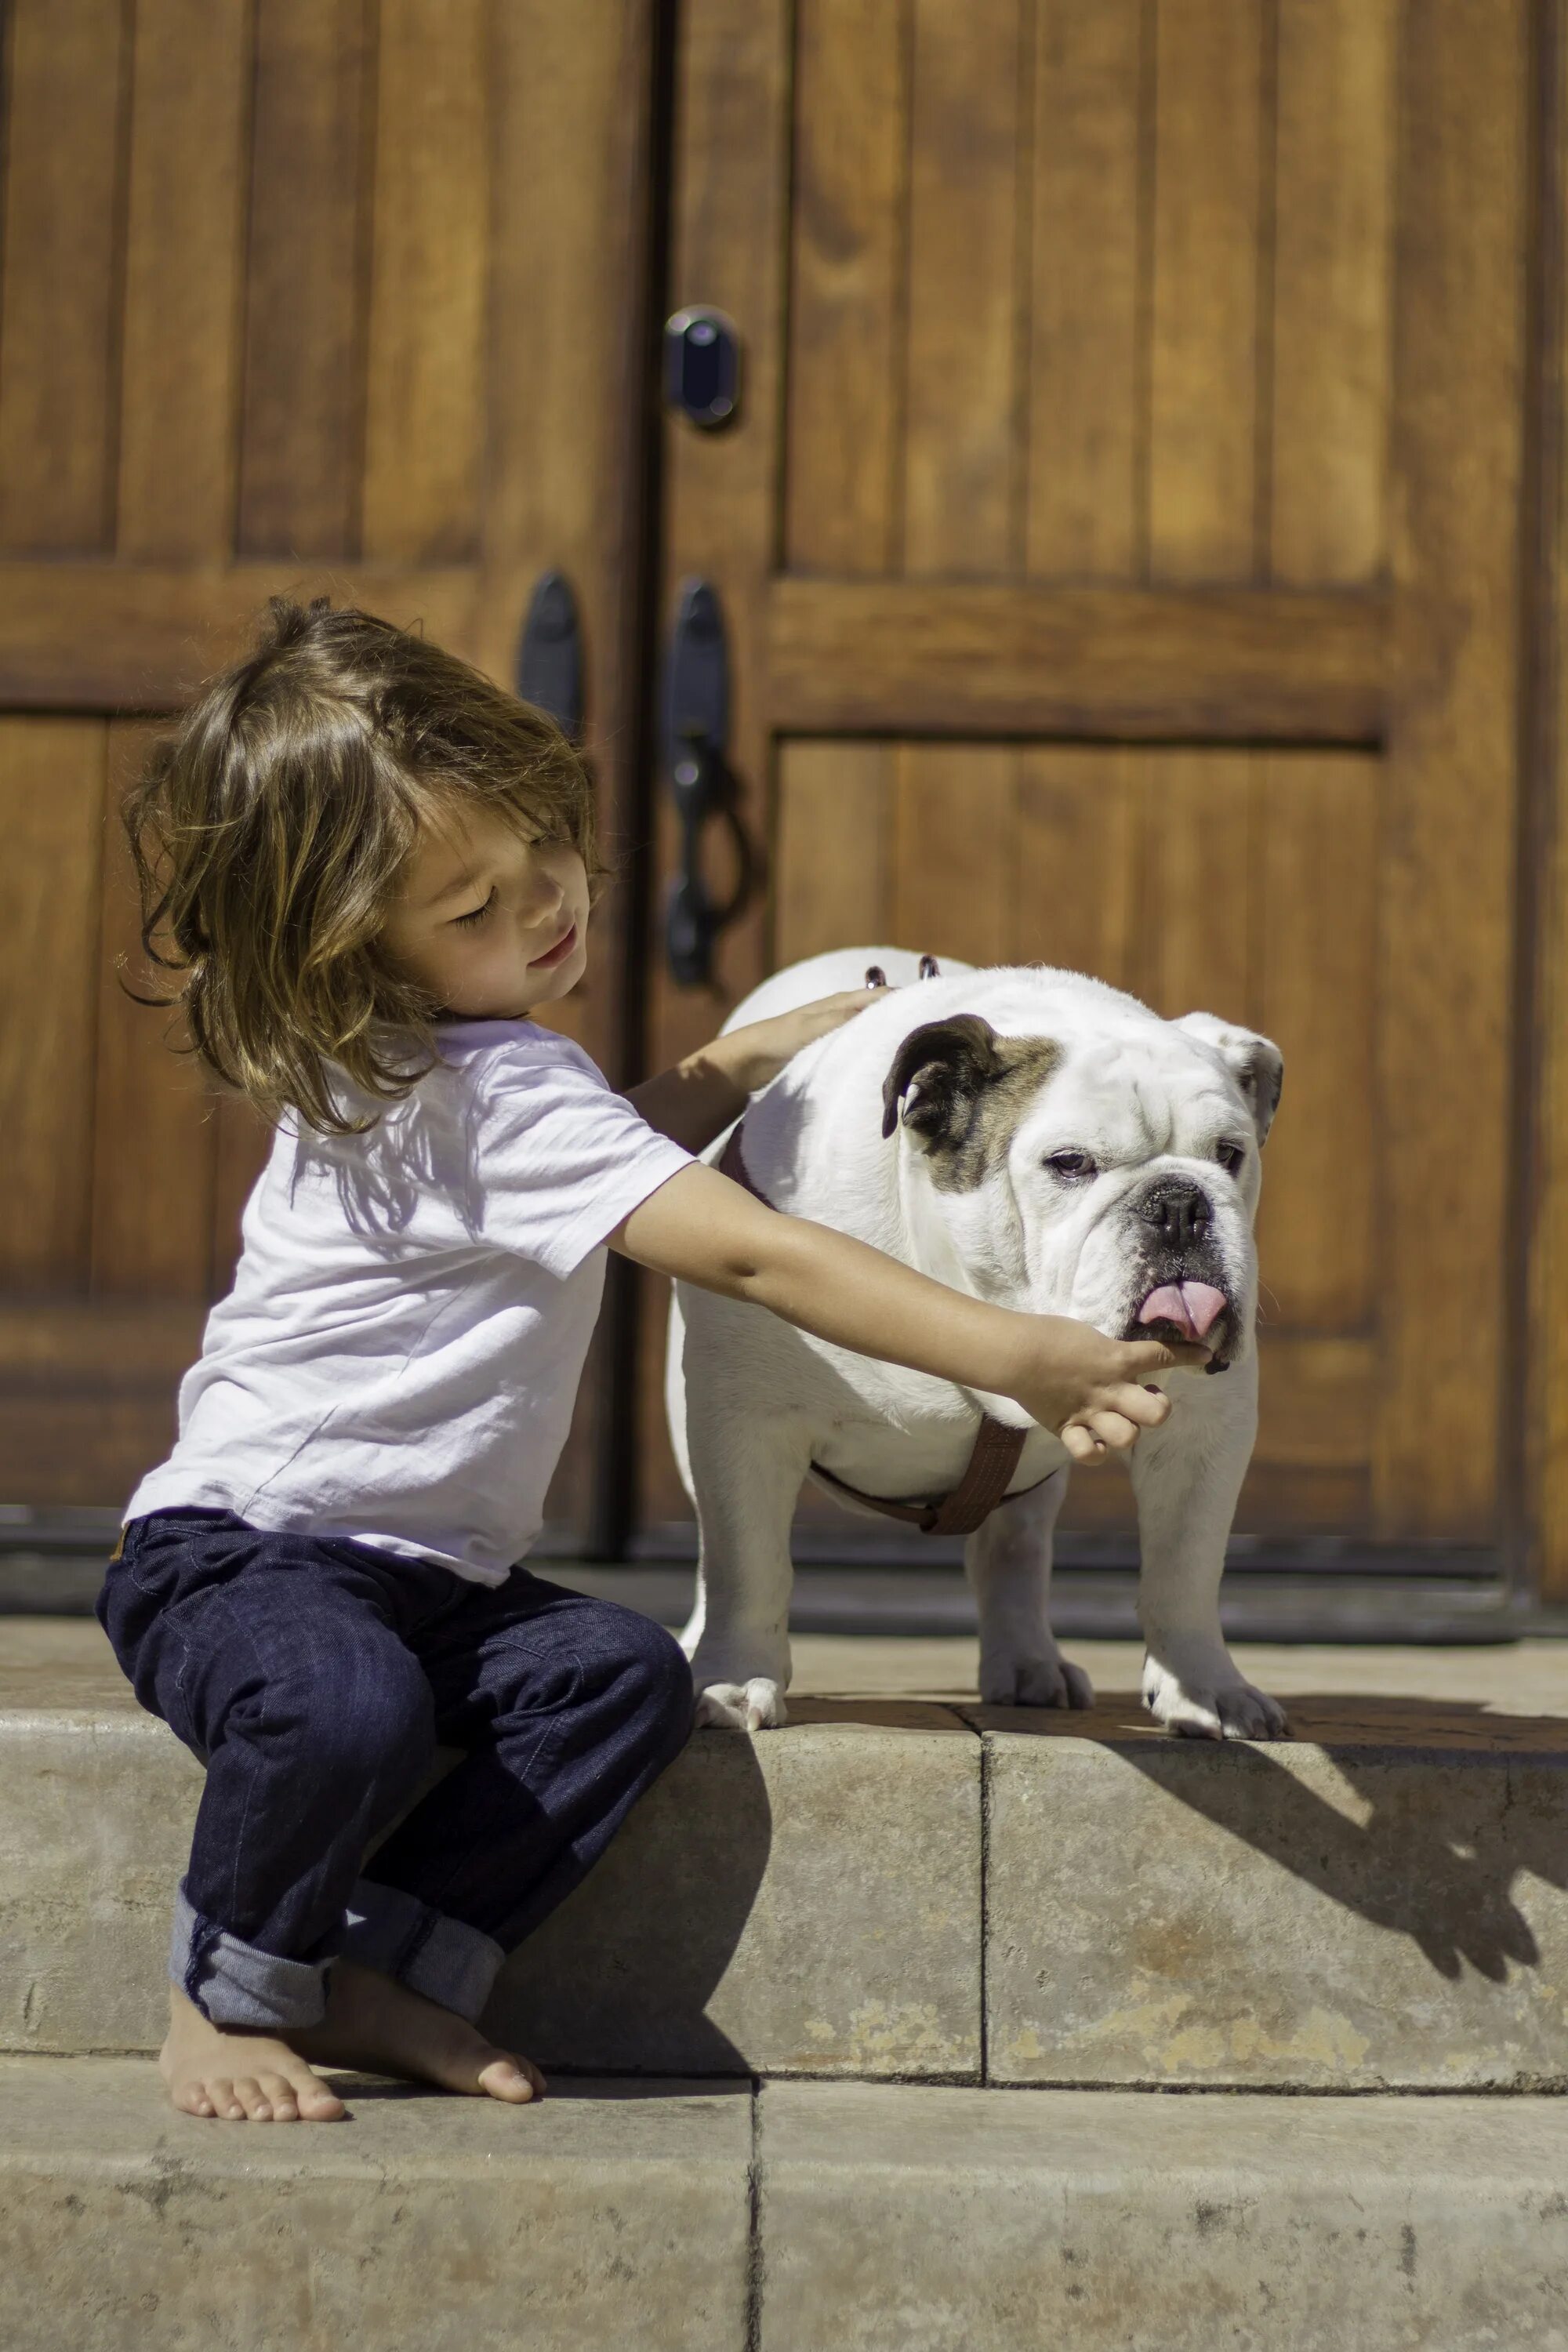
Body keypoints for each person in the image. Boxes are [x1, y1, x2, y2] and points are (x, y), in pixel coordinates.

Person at [98, 598, 1200, 2127]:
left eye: (540, 857)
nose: (539, 910)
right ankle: (221, 1989)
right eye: (470, 910)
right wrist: (1023, 1353)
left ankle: (383, 1968)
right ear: (354, 955)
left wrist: (735, 1065)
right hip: (246, 1563)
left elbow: (593, 1149)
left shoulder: (422, 1071)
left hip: (426, 1581)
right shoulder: (500, 1095)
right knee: (339, 1710)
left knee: (618, 1678)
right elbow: (749, 1251)